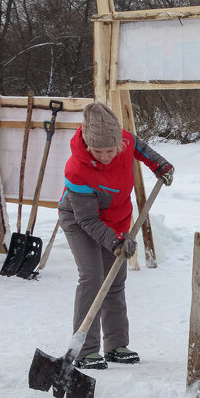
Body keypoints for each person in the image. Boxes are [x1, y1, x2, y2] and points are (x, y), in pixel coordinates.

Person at [59, 101, 174, 370]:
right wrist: (115, 241)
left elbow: (141, 148)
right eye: (98, 151)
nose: (106, 156)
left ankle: (116, 345)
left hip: (117, 218)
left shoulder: (125, 141)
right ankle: (85, 350)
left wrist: (161, 165)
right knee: (93, 277)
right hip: (80, 221)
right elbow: (87, 219)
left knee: (116, 280)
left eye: (111, 150)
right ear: (88, 145)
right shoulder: (76, 169)